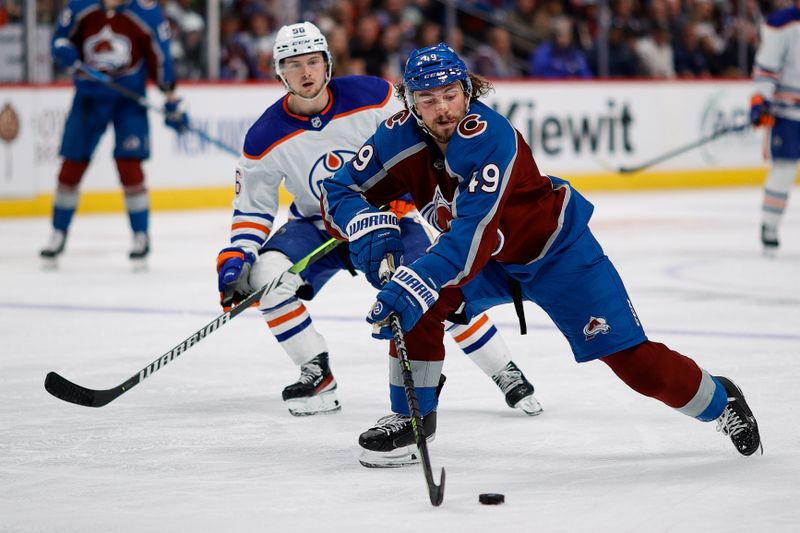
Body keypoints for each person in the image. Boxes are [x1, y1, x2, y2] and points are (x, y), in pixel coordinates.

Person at [320, 43, 762, 467]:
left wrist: (418, 280)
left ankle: (720, 401)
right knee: (419, 308)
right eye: (429, 99)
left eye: (451, 95)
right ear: (410, 102)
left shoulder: (490, 136)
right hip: (488, 261)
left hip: (557, 255)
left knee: (636, 365)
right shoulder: (396, 137)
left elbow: (472, 235)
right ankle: (412, 417)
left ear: (467, 91)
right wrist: (365, 225)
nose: (443, 110)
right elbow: (339, 188)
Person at [215, 23, 542, 430]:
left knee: (434, 287)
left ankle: (504, 371)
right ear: (279, 71)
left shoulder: (372, 96)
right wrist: (239, 253)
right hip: (318, 228)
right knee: (266, 275)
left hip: (386, 220)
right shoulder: (264, 135)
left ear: (327, 63)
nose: (306, 72)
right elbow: (252, 208)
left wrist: (408, 186)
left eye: (313, 61)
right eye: (294, 64)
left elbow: (420, 139)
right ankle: (317, 375)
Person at [41, 0, 189, 264]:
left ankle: (140, 236)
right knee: (72, 166)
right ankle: (57, 233)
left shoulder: (146, 12)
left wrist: (171, 99)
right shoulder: (81, 6)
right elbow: (60, 40)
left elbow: (161, 57)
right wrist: (62, 50)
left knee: (129, 166)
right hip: (88, 98)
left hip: (127, 101)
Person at [750, 1, 800, 253]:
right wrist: (761, 100)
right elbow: (766, 68)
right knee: (784, 169)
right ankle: (769, 225)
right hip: (788, 111)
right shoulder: (782, 23)